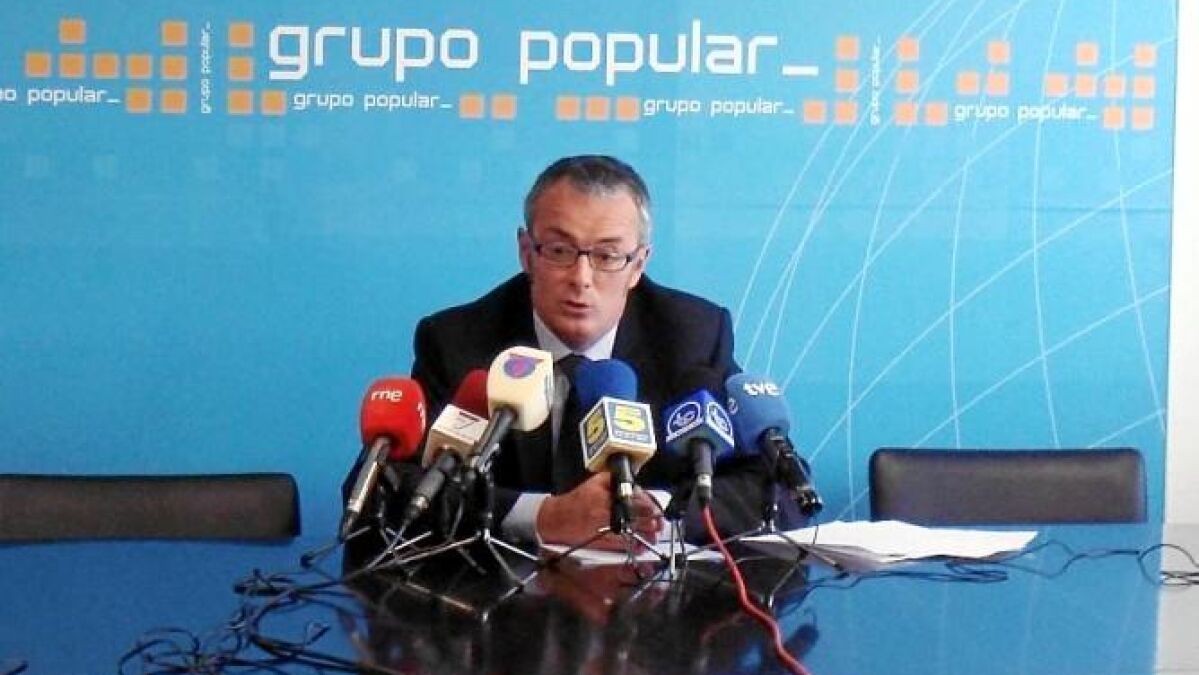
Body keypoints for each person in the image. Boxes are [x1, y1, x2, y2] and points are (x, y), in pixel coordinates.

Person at [346, 155, 773, 556]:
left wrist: (662, 513)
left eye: (607, 256)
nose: (581, 278)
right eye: (559, 251)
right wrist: (542, 516)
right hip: (499, 598)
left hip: (652, 596)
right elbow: (377, 489)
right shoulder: (460, 343)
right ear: (526, 253)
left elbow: (775, 487)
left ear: (639, 264)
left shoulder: (692, 337)